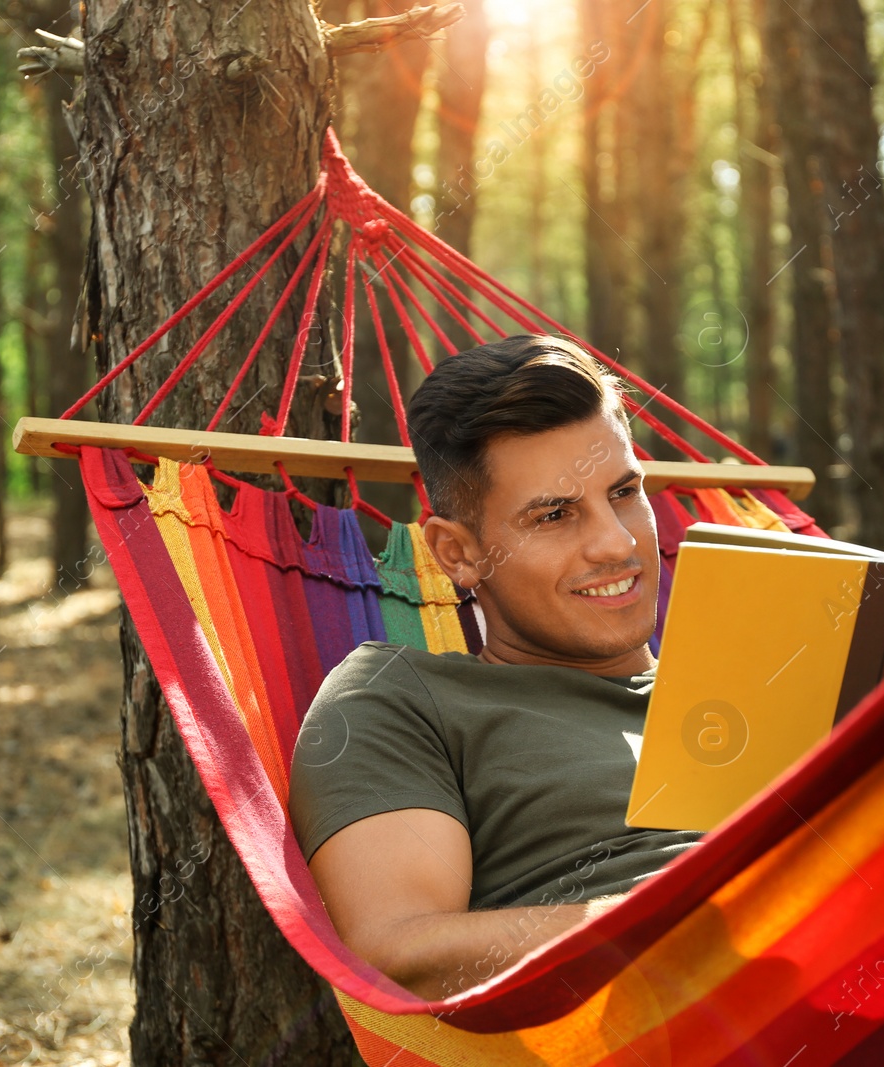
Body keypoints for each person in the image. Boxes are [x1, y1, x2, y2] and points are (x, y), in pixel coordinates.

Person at [288, 334, 702, 1000]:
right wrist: (684, 921)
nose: (618, 543)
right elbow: (399, 951)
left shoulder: (743, 676)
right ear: (457, 553)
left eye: (624, 492)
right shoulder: (399, 698)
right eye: (556, 514)